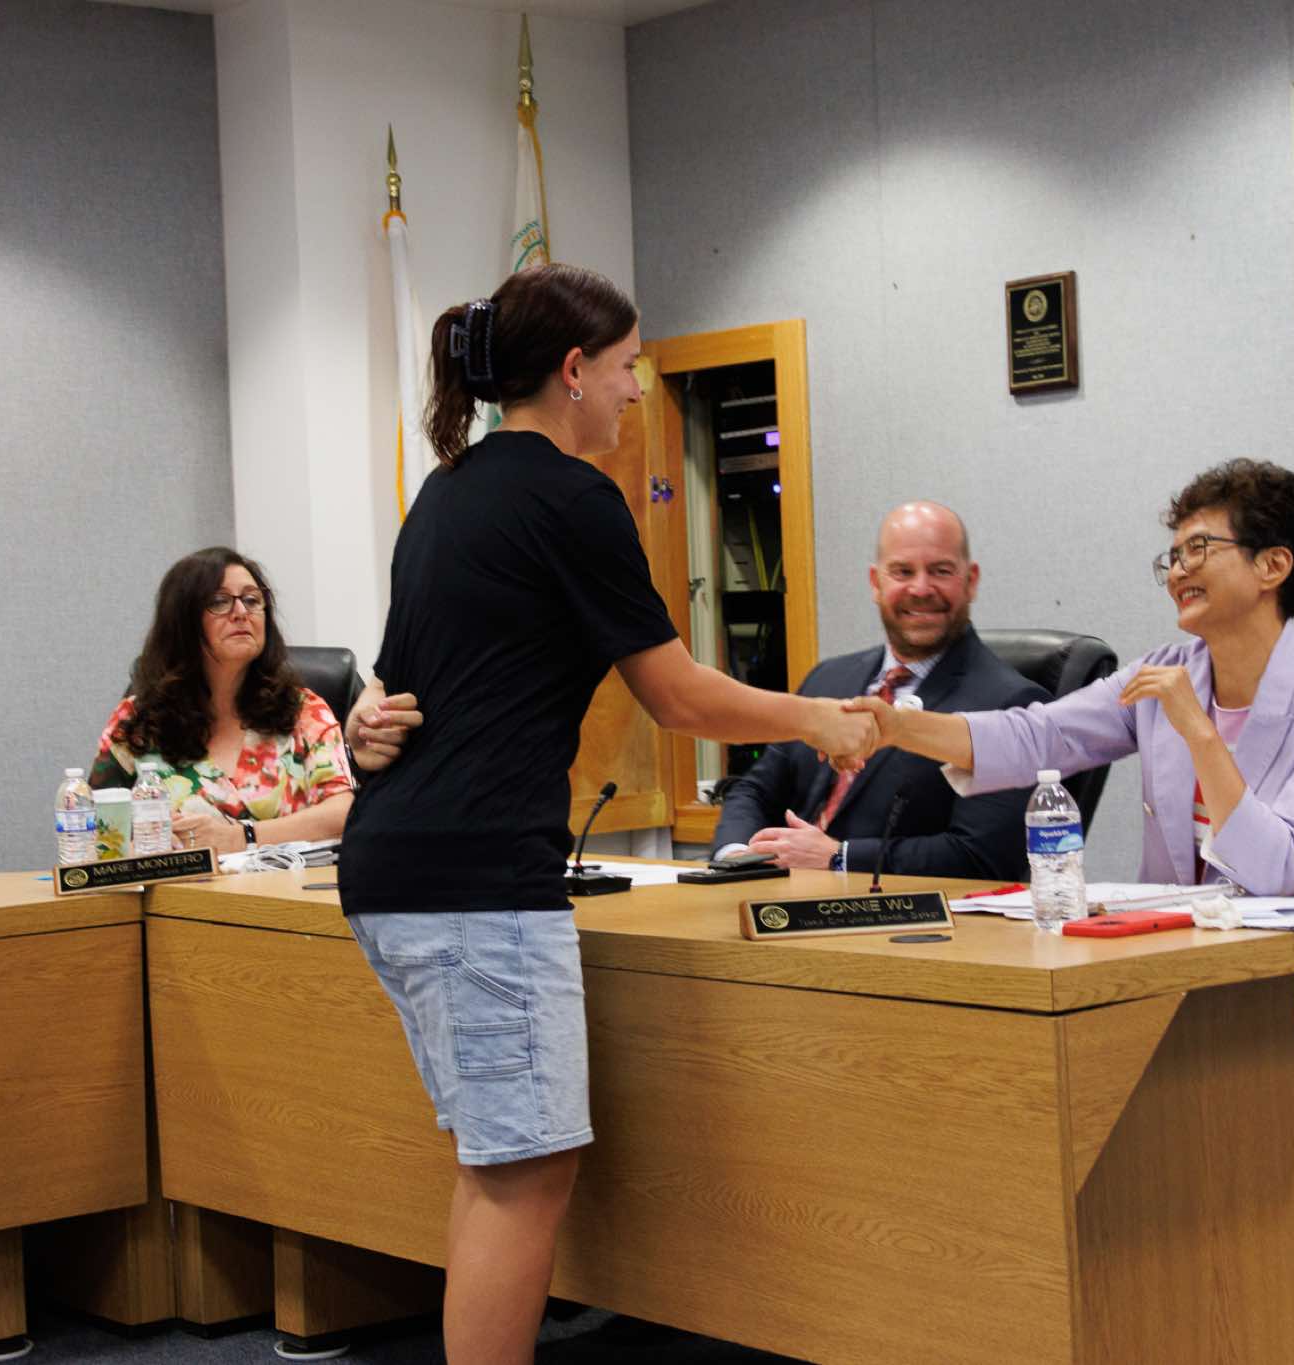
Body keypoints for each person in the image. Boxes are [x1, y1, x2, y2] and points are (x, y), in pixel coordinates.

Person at [337, 263, 875, 1365]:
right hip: (477, 880)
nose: (638, 390)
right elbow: (676, 695)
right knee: (525, 1177)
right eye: (629, 367)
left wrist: (361, 731)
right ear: (574, 371)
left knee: (499, 1165)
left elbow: (389, 698)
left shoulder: (447, 490)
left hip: (395, 867)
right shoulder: (573, 497)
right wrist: (815, 718)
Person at [849, 458, 1294, 1112]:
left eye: (1200, 548)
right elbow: (1039, 736)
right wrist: (898, 727)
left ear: (1273, 566)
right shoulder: (1165, 672)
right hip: (1181, 986)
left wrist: (1199, 730)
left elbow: (1277, 868)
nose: (1179, 570)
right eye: (1174, 556)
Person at [710, 500, 1046, 879]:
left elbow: (982, 857)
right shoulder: (827, 679)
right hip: (778, 898)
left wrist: (839, 857)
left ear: (971, 581)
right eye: (903, 571)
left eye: (941, 571)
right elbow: (754, 790)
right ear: (876, 582)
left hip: (906, 912)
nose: (921, 588)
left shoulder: (1011, 706)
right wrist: (736, 856)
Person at [90, 548, 417, 850]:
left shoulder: (303, 711)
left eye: (251, 600)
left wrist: (241, 837)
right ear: (182, 621)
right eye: (220, 601)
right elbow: (93, 827)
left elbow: (342, 813)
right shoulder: (137, 721)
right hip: (177, 893)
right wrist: (145, 837)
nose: (241, 612)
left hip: (286, 889)